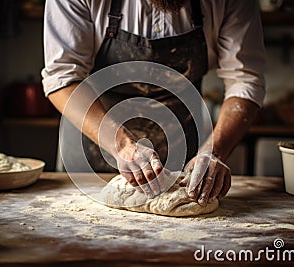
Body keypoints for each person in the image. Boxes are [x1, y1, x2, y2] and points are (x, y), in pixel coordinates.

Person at [41, 0, 265, 206]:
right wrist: (121, 145)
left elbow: (244, 80)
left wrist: (213, 151)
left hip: (183, 158)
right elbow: (63, 78)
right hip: (90, 152)